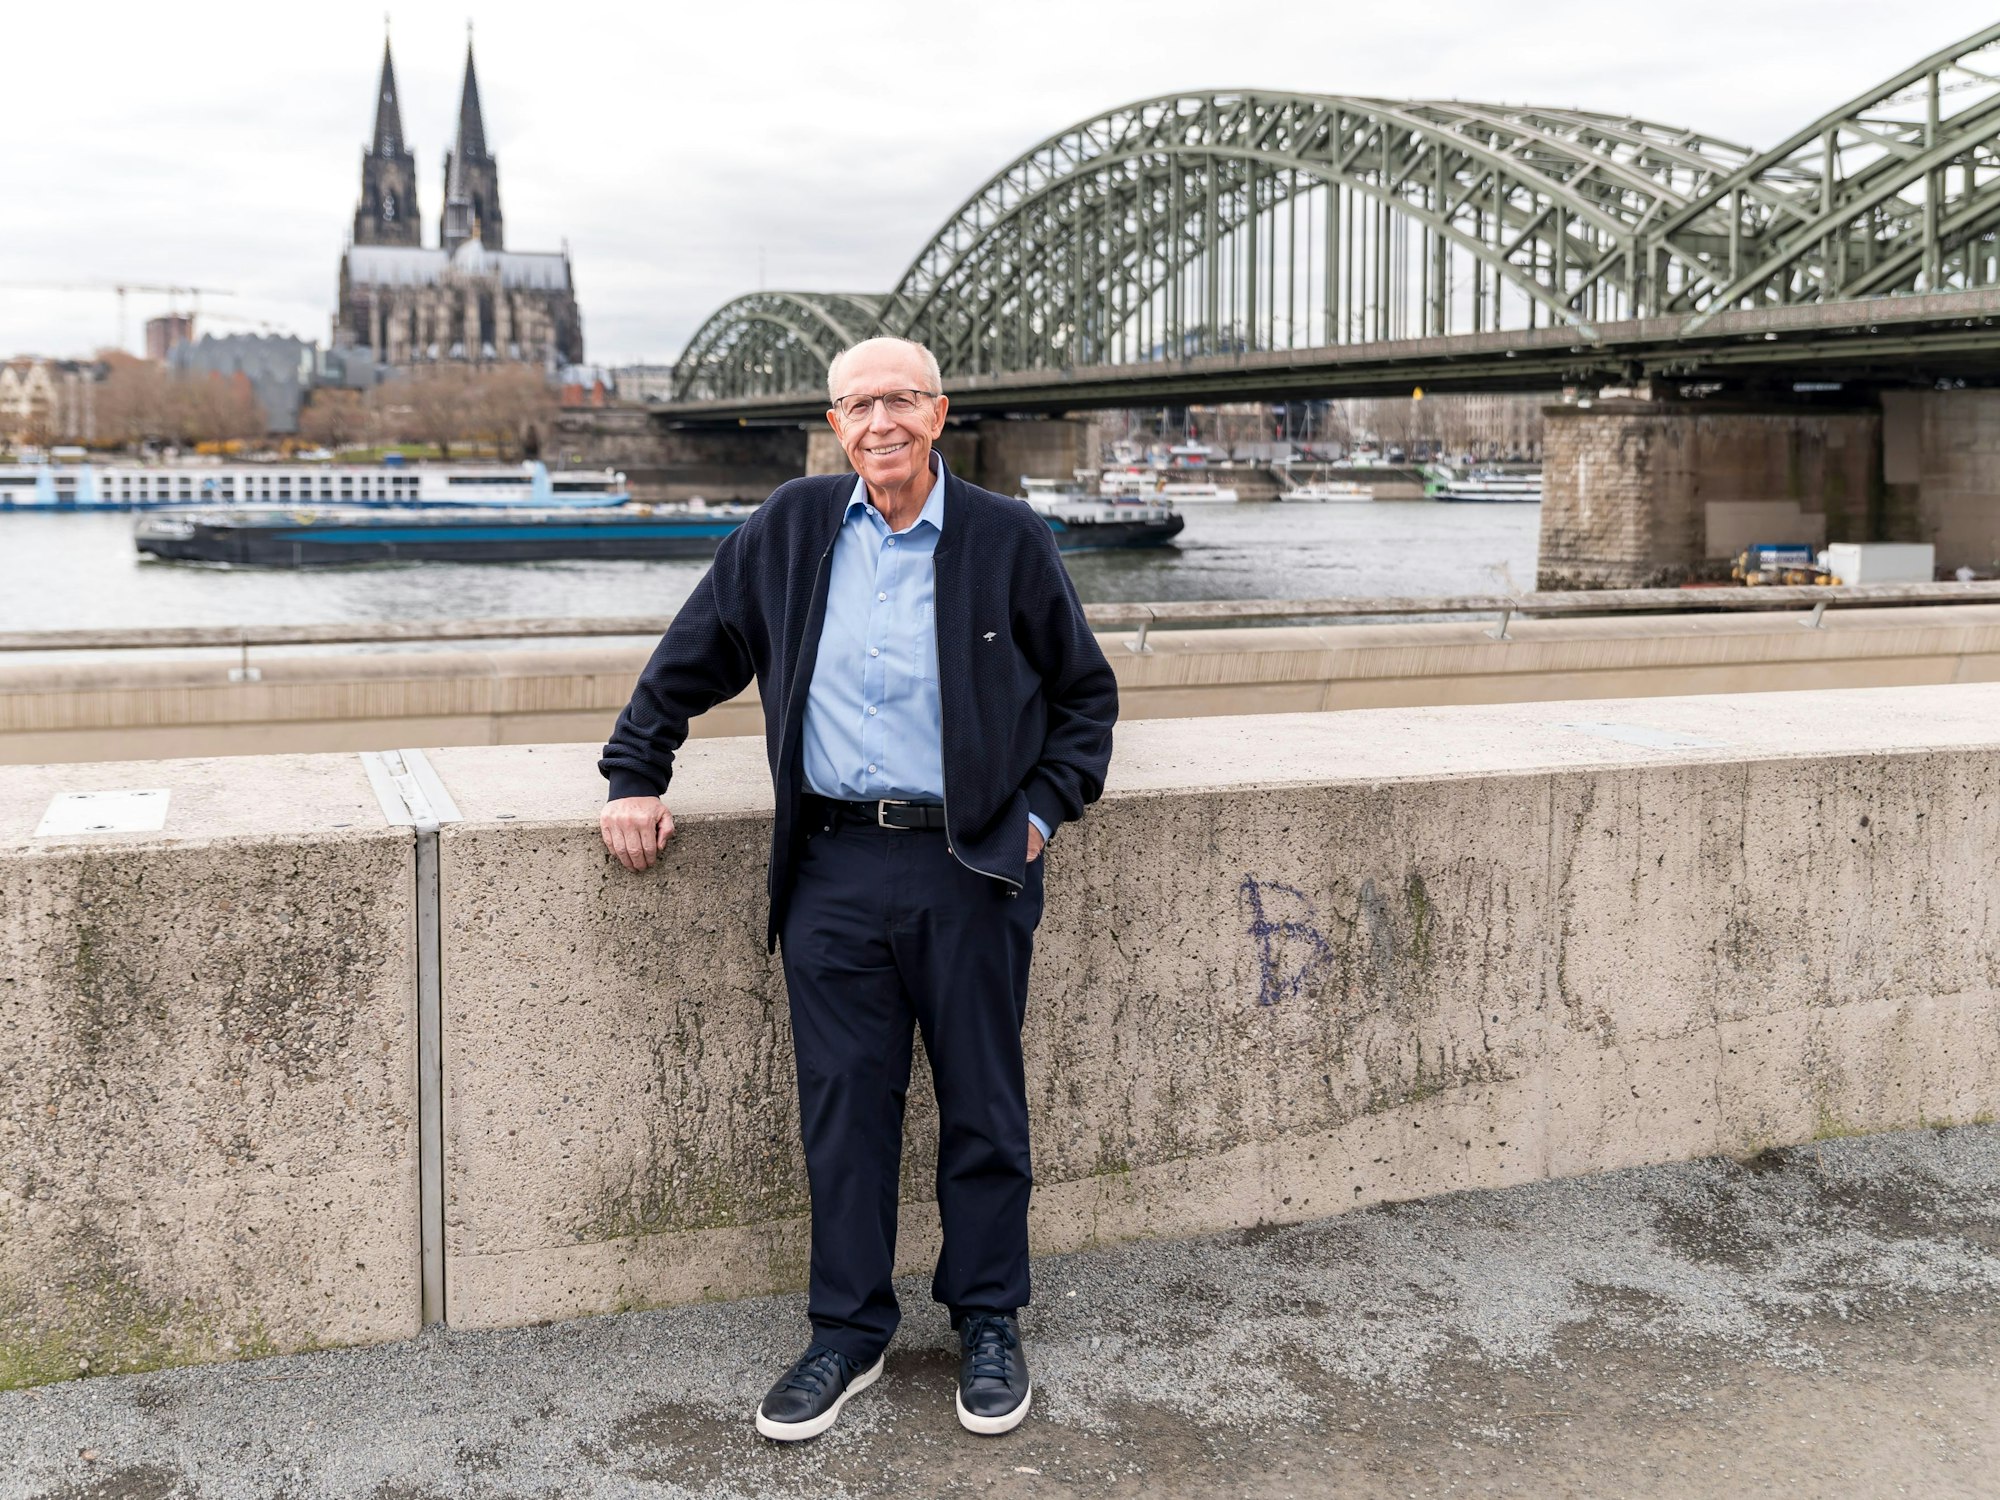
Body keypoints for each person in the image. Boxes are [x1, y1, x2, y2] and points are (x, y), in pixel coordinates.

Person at [598, 336, 1118, 1441]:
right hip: (831, 864)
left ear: (938, 413)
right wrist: (634, 775)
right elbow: (688, 659)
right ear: (834, 425)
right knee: (843, 1105)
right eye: (854, 405)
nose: (877, 421)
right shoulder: (789, 528)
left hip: (969, 864)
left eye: (897, 399)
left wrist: (1035, 815)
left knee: (983, 1102)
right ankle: (846, 1332)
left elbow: (1083, 701)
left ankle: (986, 1319)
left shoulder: (1005, 539)